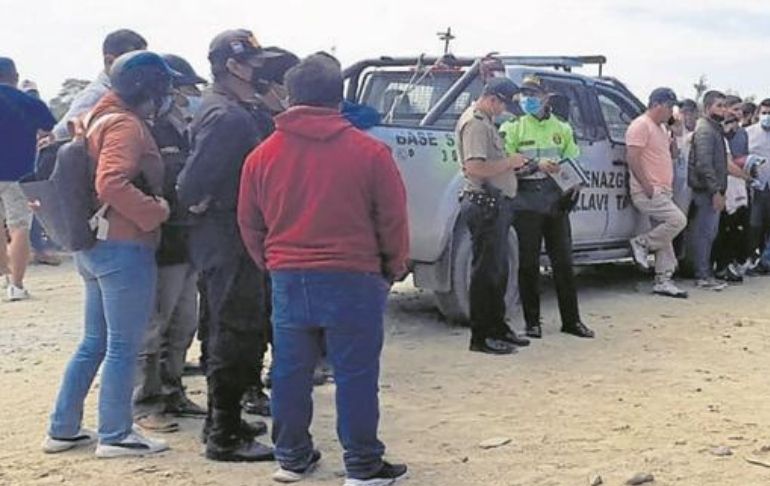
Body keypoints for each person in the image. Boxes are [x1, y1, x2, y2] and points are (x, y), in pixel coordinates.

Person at [238, 52, 410, 486]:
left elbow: (249, 222)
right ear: (339, 99)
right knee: (355, 374)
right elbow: (391, 218)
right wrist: (391, 267)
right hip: (354, 276)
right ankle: (363, 465)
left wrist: (273, 263)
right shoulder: (370, 152)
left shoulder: (261, 156)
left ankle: (292, 459)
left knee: (289, 372)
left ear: (290, 96)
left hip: (289, 277)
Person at [43, 51, 173, 457]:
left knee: (94, 342)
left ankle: (63, 429)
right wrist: (156, 213)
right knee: (122, 345)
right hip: (124, 245)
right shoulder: (125, 125)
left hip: (95, 247)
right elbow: (112, 183)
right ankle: (116, 434)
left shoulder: (94, 118)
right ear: (147, 89)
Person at [176, 29, 278, 462]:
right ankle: (224, 432)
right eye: (255, 65)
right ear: (233, 66)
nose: (262, 73)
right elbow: (190, 184)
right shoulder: (228, 117)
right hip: (227, 234)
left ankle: (225, 418)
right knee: (233, 330)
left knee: (228, 326)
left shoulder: (231, 109)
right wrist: (201, 204)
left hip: (228, 231)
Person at [132, 54, 208, 434]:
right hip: (162, 245)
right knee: (153, 329)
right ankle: (146, 403)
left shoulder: (182, 130)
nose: (187, 97)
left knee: (183, 324)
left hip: (187, 238)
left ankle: (174, 389)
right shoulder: (146, 133)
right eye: (183, 90)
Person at [501, 75, 595, 340]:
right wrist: (535, 164)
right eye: (524, 94)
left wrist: (574, 186)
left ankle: (572, 321)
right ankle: (532, 323)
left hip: (556, 202)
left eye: (533, 94)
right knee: (528, 264)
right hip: (526, 201)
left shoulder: (562, 128)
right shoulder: (514, 127)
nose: (528, 99)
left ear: (546, 96)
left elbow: (574, 160)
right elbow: (507, 164)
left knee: (564, 263)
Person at [454, 77, 529, 355]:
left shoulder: (486, 122)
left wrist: (512, 169)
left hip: (495, 204)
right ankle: (482, 336)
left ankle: (498, 327)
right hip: (484, 204)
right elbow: (475, 168)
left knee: (498, 271)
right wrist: (509, 162)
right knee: (485, 273)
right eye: (503, 105)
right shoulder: (475, 123)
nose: (504, 111)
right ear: (492, 98)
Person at [0, 57, 56, 301]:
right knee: (19, 226)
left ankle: (3, 276)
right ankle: (17, 285)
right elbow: (48, 129)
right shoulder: (29, 102)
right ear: (14, 76)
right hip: (19, 173)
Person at [626, 88, 688, 298]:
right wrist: (646, 186)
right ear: (657, 104)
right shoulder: (641, 125)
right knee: (677, 221)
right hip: (649, 189)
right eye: (670, 107)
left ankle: (663, 279)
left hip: (663, 188)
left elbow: (674, 155)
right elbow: (633, 158)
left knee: (666, 236)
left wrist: (676, 135)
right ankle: (642, 243)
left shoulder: (661, 129)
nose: (671, 112)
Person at [51, 29, 147, 140]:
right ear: (109, 61)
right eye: (134, 63)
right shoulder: (97, 94)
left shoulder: (130, 94)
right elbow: (60, 133)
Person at [688, 90, 729, 290]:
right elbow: (703, 164)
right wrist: (715, 191)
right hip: (706, 191)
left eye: (724, 105)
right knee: (704, 233)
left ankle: (705, 273)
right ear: (707, 107)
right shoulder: (705, 130)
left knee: (709, 232)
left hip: (711, 189)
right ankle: (702, 275)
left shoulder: (714, 129)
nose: (723, 110)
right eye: (719, 105)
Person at [713, 104, 752, 282]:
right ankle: (721, 267)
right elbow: (727, 165)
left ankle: (727, 265)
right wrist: (747, 176)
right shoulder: (718, 137)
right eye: (728, 121)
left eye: (735, 121)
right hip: (722, 189)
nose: (731, 125)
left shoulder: (739, 136)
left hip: (736, 191)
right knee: (724, 230)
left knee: (735, 229)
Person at [746, 98, 770, 274]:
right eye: (764, 113)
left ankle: (765, 261)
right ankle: (750, 258)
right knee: (754, 225)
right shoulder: (748, 133)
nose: (767, 117)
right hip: (756, 187)